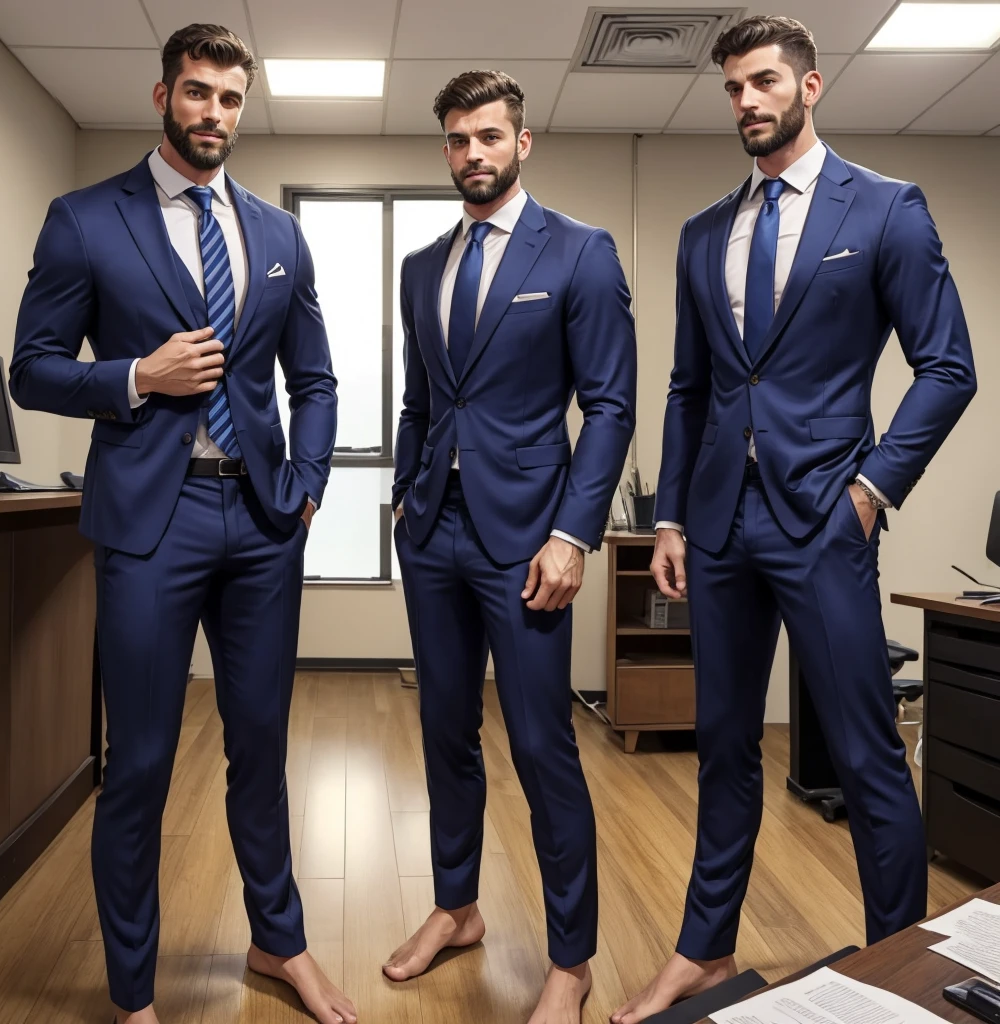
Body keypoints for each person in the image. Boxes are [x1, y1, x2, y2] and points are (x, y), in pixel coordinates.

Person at [613, 15, 976, 1024]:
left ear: (810, 87)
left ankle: (898, 970)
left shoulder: (888, 209)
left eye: (764, 81)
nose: (746, 101)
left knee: (864, 756)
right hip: (719, 529)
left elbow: (949, 367)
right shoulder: (701, 234)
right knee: (723, 744)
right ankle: (702, 951)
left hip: (824, 523)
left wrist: (869, 489)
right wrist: (674, 520)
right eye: (731, 87)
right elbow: (689, 389)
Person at [10, 24, 356, 1024]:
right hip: (148, 523)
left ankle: (279, 942)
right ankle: (131, 995)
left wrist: (307, 479)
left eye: (230, 99)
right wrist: (134, 376)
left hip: (258, 518)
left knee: (260, 743)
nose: (214, 114)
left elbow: (317, 379)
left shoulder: (279, 236)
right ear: (162, 95)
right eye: (197, 93)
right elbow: (33, 366)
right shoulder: (83, 219)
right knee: (146, 760)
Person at [385, 70, 636, 1024]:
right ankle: (457, 908)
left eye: (489, 136)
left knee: (540, 743)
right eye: (457, 139)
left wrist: (573, 532)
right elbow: (420, 401)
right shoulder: (421, 266)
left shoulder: (579, 252)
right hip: (434, 534)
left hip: (531, 540)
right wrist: (408, 498)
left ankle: (570, 960)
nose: (473, 153)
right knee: (445, 732)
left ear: (522, 142)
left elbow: (608, 407)